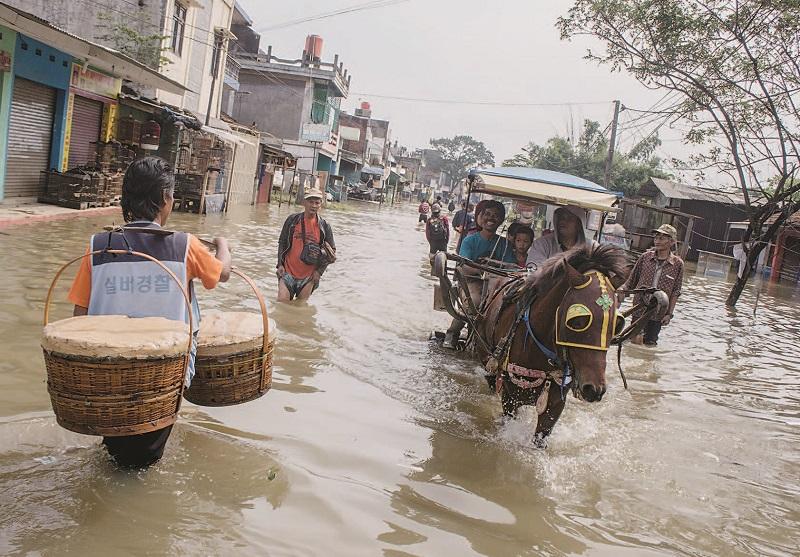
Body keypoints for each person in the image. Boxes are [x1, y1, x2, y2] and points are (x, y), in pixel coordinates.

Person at [68, 156, 232, 467]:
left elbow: (79, 317)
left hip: (107, 374)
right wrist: (222, 245)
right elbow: (222, 273)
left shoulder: (99, 245)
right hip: (161, 375)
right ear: (165, 199)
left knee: (115, 447)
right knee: (143, 460)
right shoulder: (184, 245)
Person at [443, 200, 516, 349]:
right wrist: (483, 270)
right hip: (471, 283)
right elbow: (464, 266)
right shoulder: (469, 241)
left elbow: (511, 268)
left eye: (496, 215)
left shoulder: (505, 244)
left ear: (501, 220)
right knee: (474, 303)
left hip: (497, 286)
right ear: (479, 217)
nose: (491, 218)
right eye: (487, 214)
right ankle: (452, 334)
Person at [617, 224, 684, 346]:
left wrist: (669, 314)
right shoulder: (645, 258)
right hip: (639, 309)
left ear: (672, 242)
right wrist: (620, 292)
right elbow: (631, 281)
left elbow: (676, 291)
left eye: (662, 238)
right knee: (634, 342)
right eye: (656, 237)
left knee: (650, 345)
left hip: (658, 312)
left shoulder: (677, 264)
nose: (657, 241)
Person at [277, 188, 336, 302]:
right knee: (281, 303)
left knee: (300, 308)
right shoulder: (292, 220)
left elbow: (332, 252)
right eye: (311, 202)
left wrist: (319, 272)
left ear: (320, 205)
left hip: (309, 277)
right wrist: (280, 264)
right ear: (304, 202)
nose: (313, 205)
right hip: (287, 272)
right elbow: (282, 242)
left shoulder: (325, 226)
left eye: (317, 202)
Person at [527, 205, 591, 268]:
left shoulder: (591, 247)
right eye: (561, 217)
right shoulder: (542, 244)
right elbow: (533, 271)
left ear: (579, 224)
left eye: (569, 218)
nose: (563, 221)